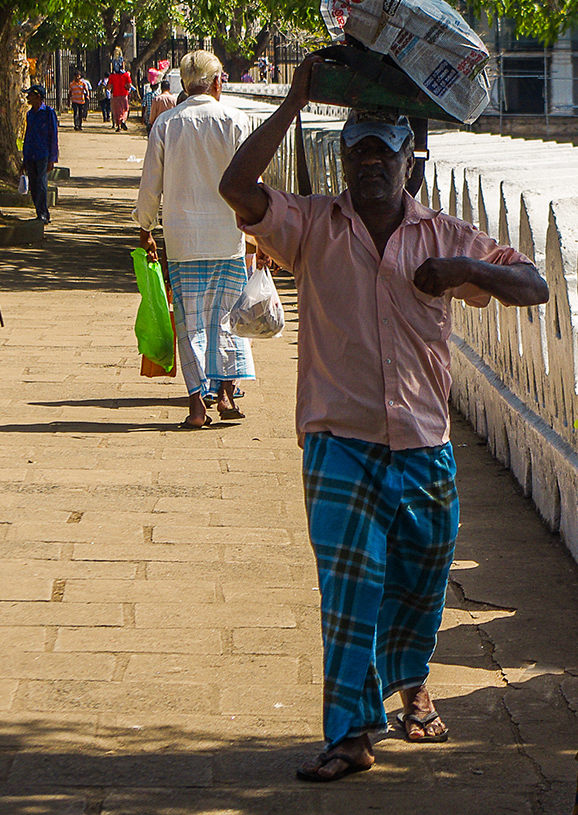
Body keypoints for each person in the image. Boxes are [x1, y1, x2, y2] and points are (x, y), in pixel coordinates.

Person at [219, 55, 549, 782]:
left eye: (385, 153)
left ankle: (412, 683)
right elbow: (236, 188)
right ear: (343, 162)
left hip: (425, 443)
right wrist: (292, 103)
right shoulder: (310, 225)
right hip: (340, 440)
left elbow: (536, 284)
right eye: (359, 152)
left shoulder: (444, 237)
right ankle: (349, 734)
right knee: (349, 587)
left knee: (423, 578)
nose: (371, 165)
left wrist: (469, 273)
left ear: (410, 164)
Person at [133, 50, 255, 428]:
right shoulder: (236, 120)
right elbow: (251, 182)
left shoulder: (167, 124)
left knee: (190, 322)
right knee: (226, 320)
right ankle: (224, 394)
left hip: (183, 239)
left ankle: (196, 405)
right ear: (218, 82)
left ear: (185, 84)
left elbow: (150, 184)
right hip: (228, 237)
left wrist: (145, 230)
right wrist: (260, 236)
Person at [20, 83, 58, 225]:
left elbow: (53, 136)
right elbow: (28, 135)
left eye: (30, 95)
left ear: (38, 97)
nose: (28, 98)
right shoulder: (30, 114)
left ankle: (43, 214)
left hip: (43, 154)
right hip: (31, 154)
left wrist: (52, 159)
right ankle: (39, 212)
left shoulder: (48, 113)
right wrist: (24, 157)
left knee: (41, 185)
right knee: (34, 187)